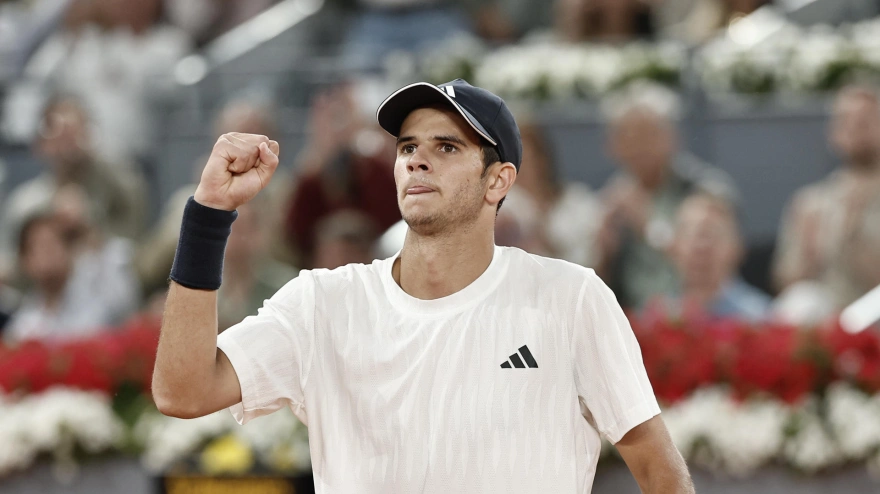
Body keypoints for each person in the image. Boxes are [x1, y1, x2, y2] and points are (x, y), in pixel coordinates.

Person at [152, 79, 693, 492]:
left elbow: (656, 466)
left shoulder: (570, 298)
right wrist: (208, 215)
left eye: (447, 147)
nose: (417, 160)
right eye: (407, 147)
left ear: (498, 180)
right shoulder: (322, 304)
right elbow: (183, 392)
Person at [598, 84, 735, 310]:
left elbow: (720, 262)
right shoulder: (612, 197)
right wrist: (603, 249)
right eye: (627, 136)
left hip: (700, 312)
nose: (638, 146)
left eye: (647, 135)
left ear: (672, 137)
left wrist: (649, 226)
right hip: (631, 316)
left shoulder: (706, 189)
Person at [0, 95, 145, 280]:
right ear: (42, 144)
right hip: (47, 291)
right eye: (59, 136)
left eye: (75, 134)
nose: (68, 147)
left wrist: (88, 226)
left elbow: (134, 238)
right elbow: (11, 270)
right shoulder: (26, 204)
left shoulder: (116, 186)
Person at [773, 85, 880, 311]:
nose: (855, 128)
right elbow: (787, 287)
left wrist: (853, 237)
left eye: (865, 120)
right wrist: (809, 254)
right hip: (826, 320)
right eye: (845, 120)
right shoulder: (810, 202)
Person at [498, 118, 602, 266]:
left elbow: (592, 255)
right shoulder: (502, 207)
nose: (522, 169)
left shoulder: (577, 199)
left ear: (544, 159)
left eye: (528, 160)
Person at [663, 192, 770, 321]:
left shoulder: (760, 319)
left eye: (713, 234)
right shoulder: (656, 318)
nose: (701, 247)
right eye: (691, 233)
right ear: (672, 247)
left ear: (738, 248)